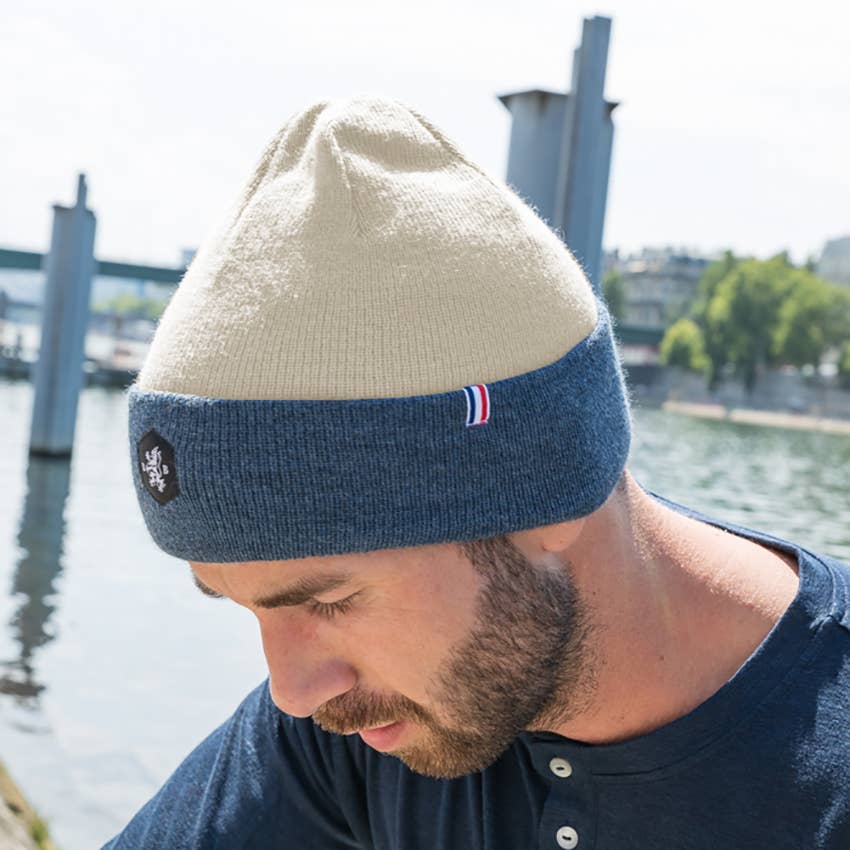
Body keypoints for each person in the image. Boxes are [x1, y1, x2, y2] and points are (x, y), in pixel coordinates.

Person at [105, 94, 850, 849]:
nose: (294, 693)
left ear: (544, 488)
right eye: (248, 608)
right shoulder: (366, 730)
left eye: (331, 601)